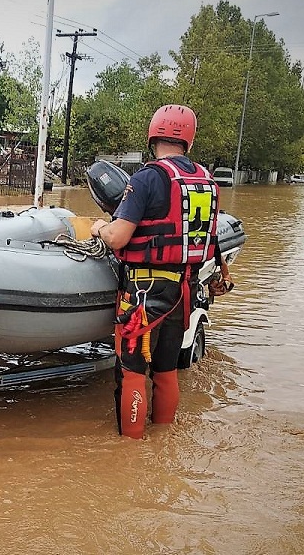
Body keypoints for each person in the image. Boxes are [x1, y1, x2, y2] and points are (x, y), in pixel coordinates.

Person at [90, 104, 223, 439]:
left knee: (132, 372)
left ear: (153, 136)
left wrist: (99, 229)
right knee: (166, 371)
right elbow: (209, 235)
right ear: (188, 141)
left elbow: (119, 236)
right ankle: (163, 442)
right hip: (183, 292)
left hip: (143, 296)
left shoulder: (147, 178)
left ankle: (131, 455)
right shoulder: (207, 181)